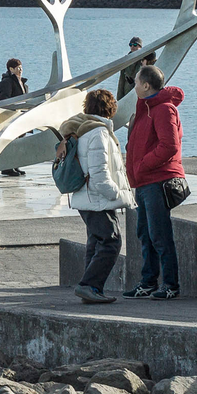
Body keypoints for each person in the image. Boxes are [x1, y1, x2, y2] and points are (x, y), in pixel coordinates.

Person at [58, 88, 131, 303]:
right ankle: (89, 285)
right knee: (112, 241)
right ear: (110, 109)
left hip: (86, 197)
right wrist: (116, 193)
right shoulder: (98, 133)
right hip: (97, 198)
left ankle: (91, 289)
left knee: (95, 242)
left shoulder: (81, 130)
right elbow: (99, 174)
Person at [124, 62, 186, 298]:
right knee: (145, 233)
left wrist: (142, 165)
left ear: (146, 85)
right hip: (144, 181)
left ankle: (170, 286)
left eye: (137, 82)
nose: (135, 86)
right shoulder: (146, 107)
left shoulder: (163, 109)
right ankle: (148, 282)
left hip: (157, 180)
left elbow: (169, 146)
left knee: (160, 234)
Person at [0, 57, 30, 173]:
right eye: (18, 68)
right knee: (9, 142)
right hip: (11, 115)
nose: (20, 70)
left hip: (21, 115)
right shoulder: (7, 82)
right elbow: (4, 99)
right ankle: (6, 167)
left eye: (21, 67)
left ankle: (14, 165)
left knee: (18, 142)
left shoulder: (23, 83)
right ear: (11, 69)